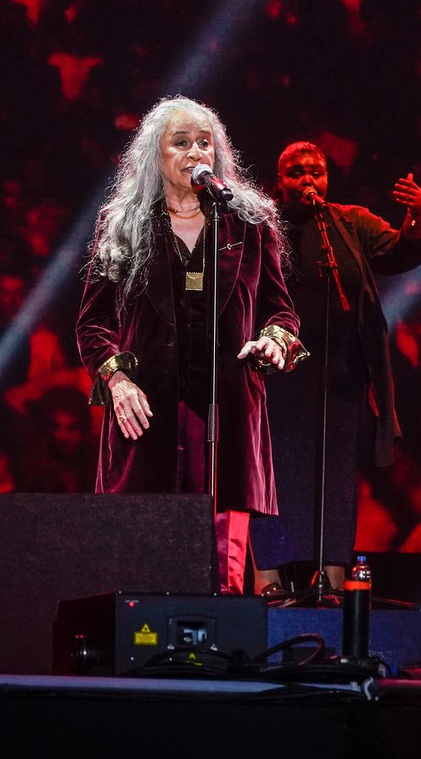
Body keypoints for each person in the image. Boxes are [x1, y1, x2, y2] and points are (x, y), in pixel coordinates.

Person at [76, 96, 305, 595]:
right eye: (180, 142)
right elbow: (92, 322)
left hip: (226, 407)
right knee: (142, 567)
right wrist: (118, 380)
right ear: (154, 154)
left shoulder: (250, 222)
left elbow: (281, 311)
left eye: (204, 142)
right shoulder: (123, 222)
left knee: (222, 570)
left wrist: (273, 340)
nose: (195, 152)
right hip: (148, 409)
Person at [251, 141, 421, 598]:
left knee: (335, 476)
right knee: (276, 474)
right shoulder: (261, 226)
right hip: (276, 375)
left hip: (340, 374)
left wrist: (417, 217)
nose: (308, 180)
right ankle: (269, 578)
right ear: (280, 181)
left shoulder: (349, 222)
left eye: (316, 172)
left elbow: (399, 252)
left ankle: (331, 578)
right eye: (297, 172)